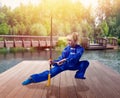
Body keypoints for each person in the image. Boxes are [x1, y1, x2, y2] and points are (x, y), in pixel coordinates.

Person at [22, 32, 89, 85]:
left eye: (70, 40)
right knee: (50, 73)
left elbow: (76, 56)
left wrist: (65, 59)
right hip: (64, 65)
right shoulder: (66, 49)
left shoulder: (80, 49)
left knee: (85, 63)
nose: (68, 42)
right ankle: (32, 79)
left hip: (74, 65)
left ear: (75, 41)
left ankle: (79, 75)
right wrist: (54, 62)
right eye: (67, 40)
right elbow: (61, 58)